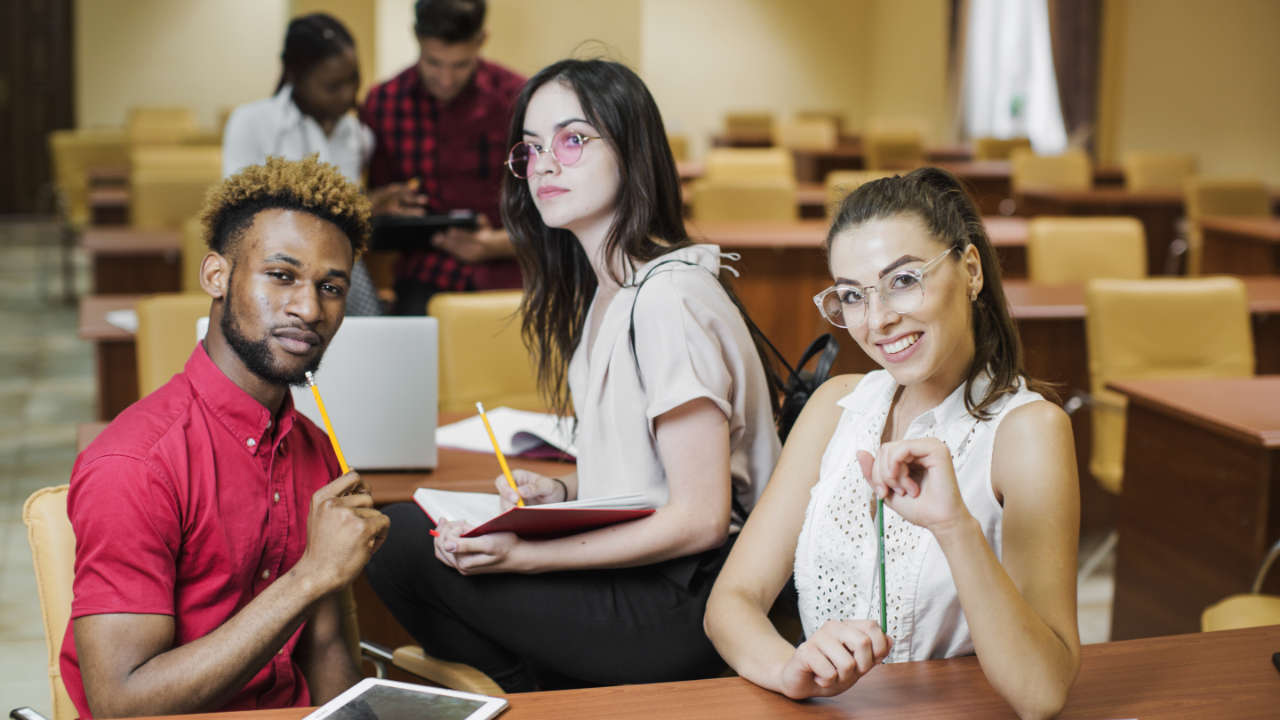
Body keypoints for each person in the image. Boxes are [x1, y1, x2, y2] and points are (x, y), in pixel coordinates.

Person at [365, 59, 781, 692]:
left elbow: (698, 516)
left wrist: (530, 556)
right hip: (650, 579)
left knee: (399, 544)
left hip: (692, 602)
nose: (546, 165)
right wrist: (560, 495)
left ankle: (545, 697)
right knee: (409, 536)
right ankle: (546, 694)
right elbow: (659, 468)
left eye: (572, 139)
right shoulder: (614, 290)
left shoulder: (669, 298)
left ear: (632, 149)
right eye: (531, 149)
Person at [704, 168, 1080, 719]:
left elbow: (1042, 694)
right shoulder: (836, 407)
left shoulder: (1029, 431)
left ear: (970, 270)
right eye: (853, 296)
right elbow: (730, 603)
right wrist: (790, 670)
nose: (877, 320)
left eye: (904, 280)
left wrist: (955, 526)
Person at [61, 156, 390, 718]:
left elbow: (328, 646)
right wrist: (310, 577)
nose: (308, 309)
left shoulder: (314, 448)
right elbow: (122, 705)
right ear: (216, 275)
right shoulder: (135, 465)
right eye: (281, 276)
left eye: (330, 287)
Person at [360, 0, 526, 315]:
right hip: (422, 278)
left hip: (512, 273)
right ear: (417, 38)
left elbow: (553, 215)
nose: (446, 79)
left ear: (482, 40)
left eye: (461, 65)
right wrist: (382, 204)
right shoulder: (384, 103)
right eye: (434, 63)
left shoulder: (518, 99)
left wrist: (497, 244)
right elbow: (373, 221)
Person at [222, 13, 383, 316]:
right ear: (296, 76)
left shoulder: (357, 134)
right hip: (270, 264)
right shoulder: (252, 123)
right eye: (333, 86)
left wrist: (372, 205)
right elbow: (239, 216)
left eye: (354, 81)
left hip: (336, 267)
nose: (348, 96)